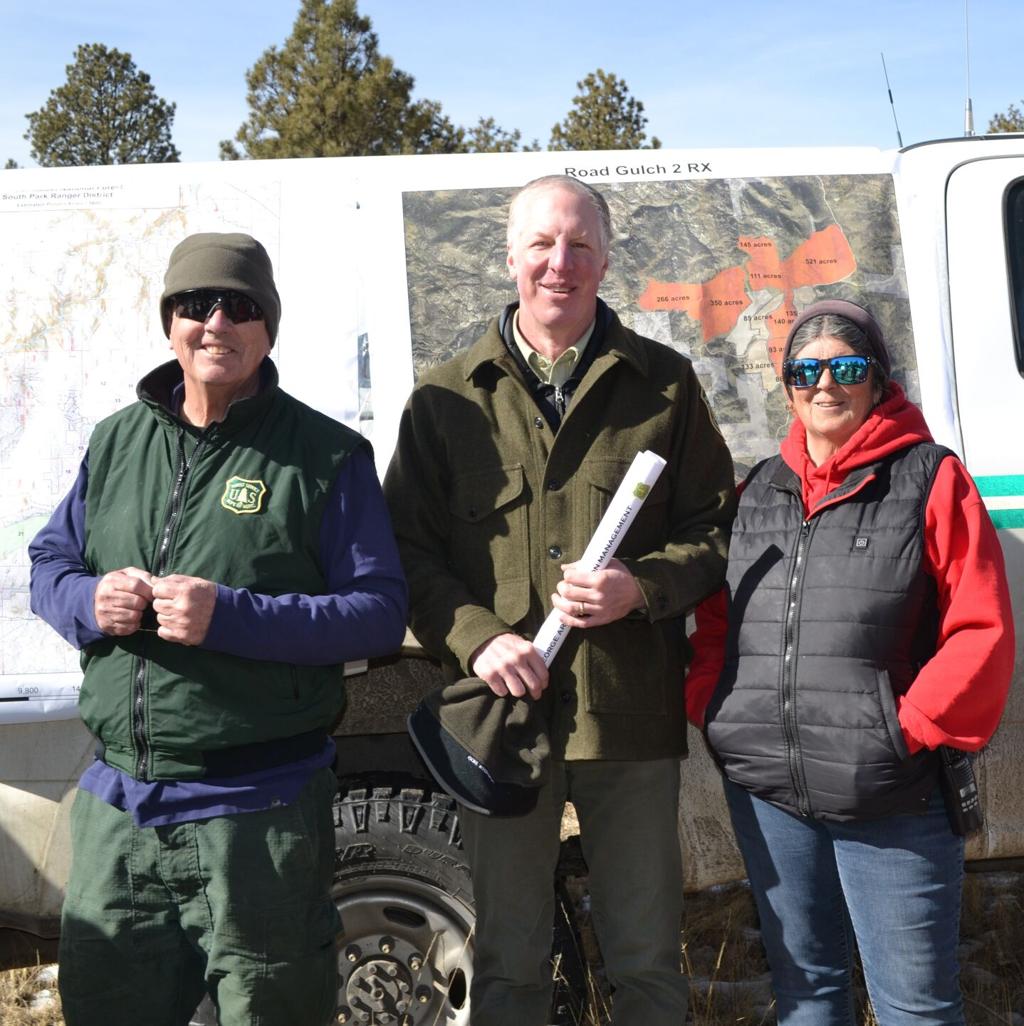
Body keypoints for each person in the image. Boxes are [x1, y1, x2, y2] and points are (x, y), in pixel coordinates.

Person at [29, 232, 408, 1026]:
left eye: (240, 308)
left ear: (268, 329)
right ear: (169, 322)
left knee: (272, 1009)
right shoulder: (115, 441)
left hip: (259, 812)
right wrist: (87, 600)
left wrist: (229, 615)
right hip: (119, 805)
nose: (216, 323)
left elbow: (376, 612)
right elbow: (49, 563)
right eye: (195, 305)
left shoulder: (326, 456)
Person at [384, 175, 736, 1026]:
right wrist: (474, 637)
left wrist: (640, 587)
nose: (560, 262)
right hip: (503, 721)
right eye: (542, 243)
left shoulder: (663, 385)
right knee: (507, 961)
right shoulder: (445, 397)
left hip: (626, 716)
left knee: (648, 959)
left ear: (606, 259)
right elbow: (405, 551)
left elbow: (719, 529)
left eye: (580, 245)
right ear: (511, 257)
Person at [685, 299, 1014, 1025]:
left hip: (891, 793)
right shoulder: (758, 490)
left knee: (916, 1008)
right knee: (807, 996)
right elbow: (717, 622)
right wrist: (717, 707)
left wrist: (908, 729)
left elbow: (980, 628)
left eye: (847, 366)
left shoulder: (929, 479)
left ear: (878, 379)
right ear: (788, 383)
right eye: (806, 369)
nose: (825, 384)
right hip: (770, 794)